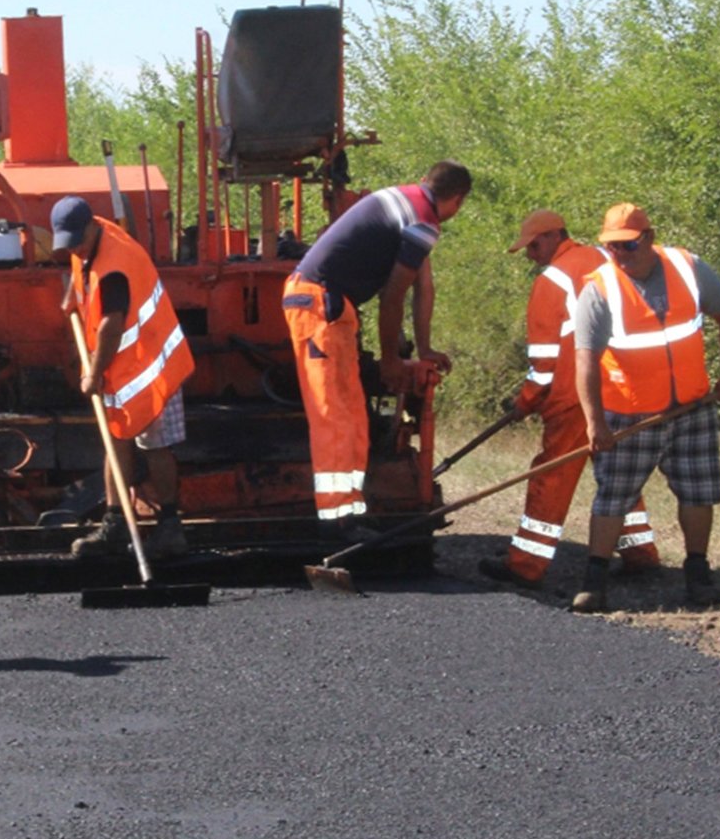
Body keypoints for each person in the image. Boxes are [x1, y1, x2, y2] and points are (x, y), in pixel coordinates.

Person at [570, 203, 720, 613]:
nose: (620, 254)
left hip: (691, 407)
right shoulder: (599, 288)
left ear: (648, 237)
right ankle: (594, 582)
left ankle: (698, 573)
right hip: (629, 414)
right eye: (612, 247)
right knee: (614, 496)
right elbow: (585, 361)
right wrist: (595, 422)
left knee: (698, 492)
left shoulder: (688, 268)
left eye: (628, 245)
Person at [478, 210, 664, 590]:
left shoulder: (553, 281)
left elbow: (544, 362)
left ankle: (526, 564)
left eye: (533, 245)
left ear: (553, 236)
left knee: (551, 475)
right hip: (621, 388)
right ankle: (640, 554)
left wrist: (527, 400)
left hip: (573, 395)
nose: (531, 254)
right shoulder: (607, 258)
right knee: (618, 473)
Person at [282, 161, 471, 530]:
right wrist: (389, 361)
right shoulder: (422, 222)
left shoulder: (408, 203)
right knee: (333, 413)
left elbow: (422, 287)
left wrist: (425, 347)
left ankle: (351, 510)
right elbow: (394, 295)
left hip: (331, 307)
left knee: (352, 413)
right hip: (320, 305)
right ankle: (336, 519)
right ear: (458, 200)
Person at [50, 197, 195, 560]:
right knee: (116, 441)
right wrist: (70, 298)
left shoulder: (115, 264)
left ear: (90, 228)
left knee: (155, 444)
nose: (74, 249)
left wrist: (92, 375)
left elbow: (111, 327)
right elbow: (81, 269)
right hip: (123, 368)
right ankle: (115, 523)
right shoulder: (89, 241)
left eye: (76, 242)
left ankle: (170, 526)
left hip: (153, 364)